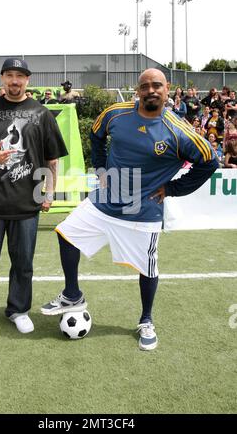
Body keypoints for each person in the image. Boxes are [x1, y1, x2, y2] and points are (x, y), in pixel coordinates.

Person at [41, 68, 218, 351]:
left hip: (143, 211)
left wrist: (171, 189)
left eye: (157, 85)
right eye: (145, 86)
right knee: (66, 233)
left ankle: (146, 319)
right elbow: (96, 133)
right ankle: (72, 295)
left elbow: (209, 162)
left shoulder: (179, 131)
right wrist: (100, 169)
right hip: (106, 200)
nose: (151, 90)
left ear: (167, 88)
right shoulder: (115, 113)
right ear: (137, 90)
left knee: (147, 269)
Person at [0, 57, 68, 348]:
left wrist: (49, 192)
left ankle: (18, 310)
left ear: (27, 80)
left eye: (20, 76)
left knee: (23, 264)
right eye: (9, 75)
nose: (15, 81)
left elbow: (51, 158)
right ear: (2, 79)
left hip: (26, 205)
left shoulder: (42, 114)